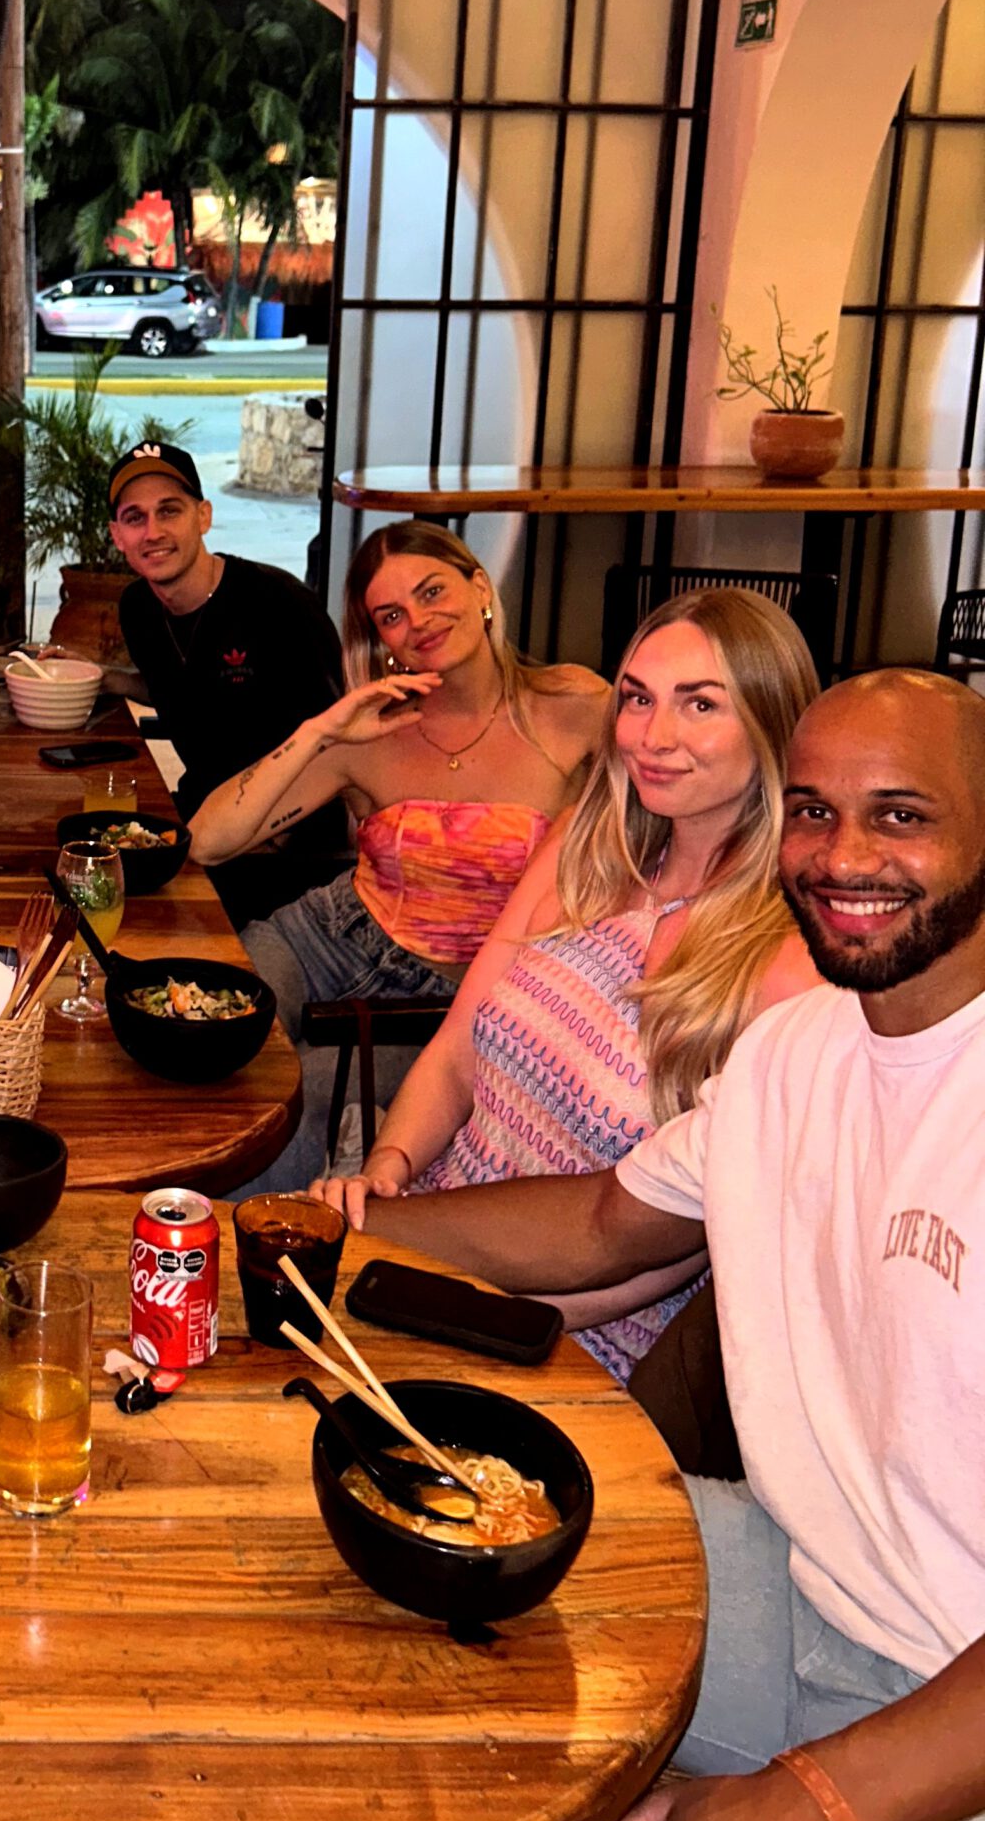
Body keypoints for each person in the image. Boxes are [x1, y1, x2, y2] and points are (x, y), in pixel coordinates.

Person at [358, 670, 985, 1821]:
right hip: (800, 1581)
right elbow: (601, 1223)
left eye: (900, 814)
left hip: (954, 1715)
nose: (843, 856)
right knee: (403, 1547)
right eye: (812, 811)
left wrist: (819, 1806)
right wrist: (337, 1235)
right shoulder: (798, 1050)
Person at [321, 589, 820, 1381]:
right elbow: (455, 1053)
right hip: (424, 1238)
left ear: (772, 723)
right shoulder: (583, 851)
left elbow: (682, 1248)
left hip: (569, 1337)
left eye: (700, 705)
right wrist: (389, 1164)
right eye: (638, 699)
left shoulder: (790, 965)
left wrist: (452, 1300)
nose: (654, 737)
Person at [196, 522, 607, 1182]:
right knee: (203, 1029)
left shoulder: (574, 706)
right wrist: (320, 731)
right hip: (330, 937)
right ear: (380, 639)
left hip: (455, 996)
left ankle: (254, 1236)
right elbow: (209, 841)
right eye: (391, 615)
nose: (418, 621)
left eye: (432, 591)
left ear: (480, 587)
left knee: (286, 1099)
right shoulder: (371, 733)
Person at [109, 440, 351, 925]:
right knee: (84, 860)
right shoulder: (138, 609)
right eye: (136, 517)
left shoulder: (279, 604)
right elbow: (187, 689)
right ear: (118, 536)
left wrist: (264, 835)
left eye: (169, 511)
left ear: (203, 516)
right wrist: (107, 680)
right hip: (202, 815)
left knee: (135, 912)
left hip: (291, 848)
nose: (153, 532)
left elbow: (339, 741)